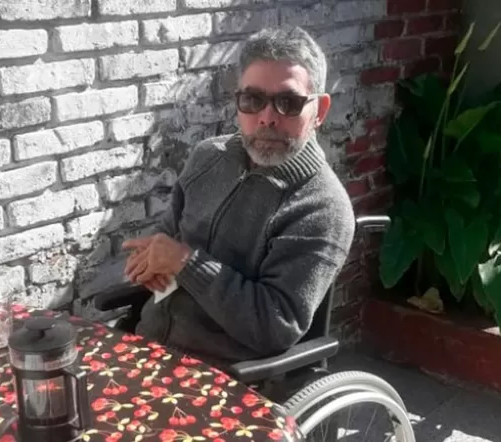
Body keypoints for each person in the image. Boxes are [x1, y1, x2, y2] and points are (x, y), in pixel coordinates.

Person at [122, 27, 356, 365]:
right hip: (146, 344)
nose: (267, 118)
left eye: (288, 103)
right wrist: (149, 263)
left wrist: (186, 264)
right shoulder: (207, 157)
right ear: (238, 102)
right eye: (253, 99)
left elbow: (276, 324)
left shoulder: (321, 207)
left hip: (223, 376)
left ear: (319, 110)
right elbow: (166, 239)